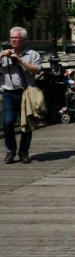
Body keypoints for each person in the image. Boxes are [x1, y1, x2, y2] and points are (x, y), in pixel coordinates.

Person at [2, 26, 42, 164]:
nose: (13, 40)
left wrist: (20, 61)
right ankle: (10, 151)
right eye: (11, 38)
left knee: (26, 124)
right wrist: (2, 55)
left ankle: (24, 152)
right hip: (8, 93)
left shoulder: (33, 54)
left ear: (24, 40)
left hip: (26, 93)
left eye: (16, 38)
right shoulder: (4, 54)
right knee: (8, 122)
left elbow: (37, 70)